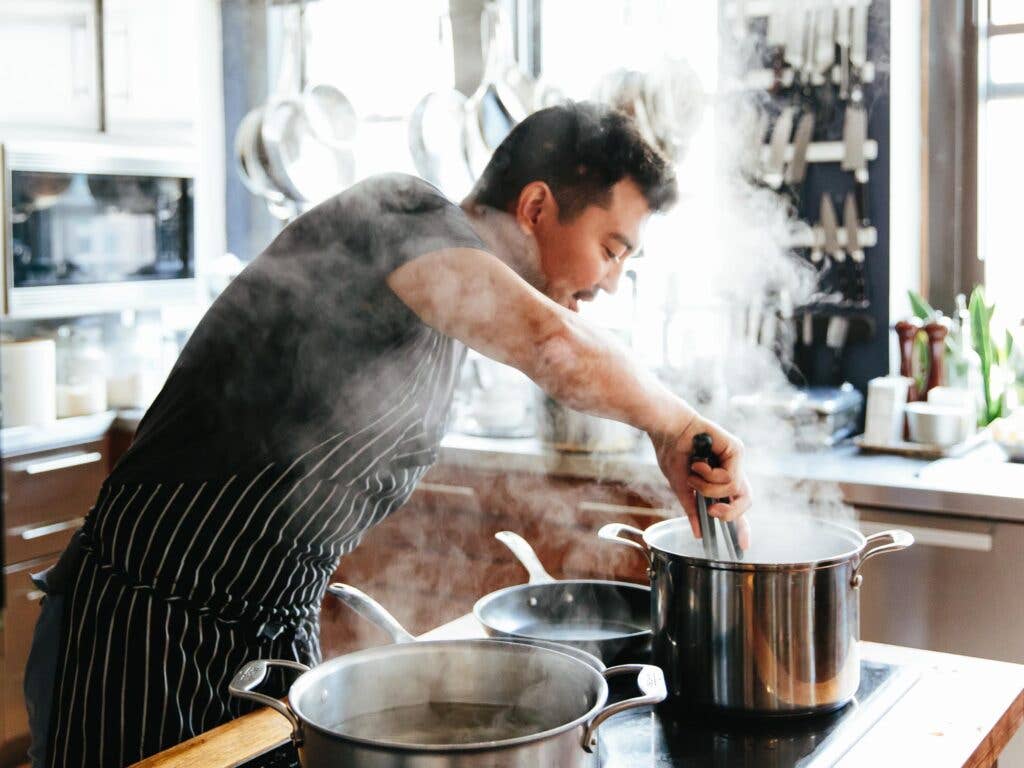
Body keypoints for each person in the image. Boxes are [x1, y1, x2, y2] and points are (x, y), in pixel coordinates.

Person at [24, 101, 751, 766]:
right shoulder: (398, 213)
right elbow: (553, 344)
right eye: (613, 248)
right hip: (146, 627)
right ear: (535, 206)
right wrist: (675, 425)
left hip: (272, 635)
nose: (612, 281)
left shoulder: (451, 312)